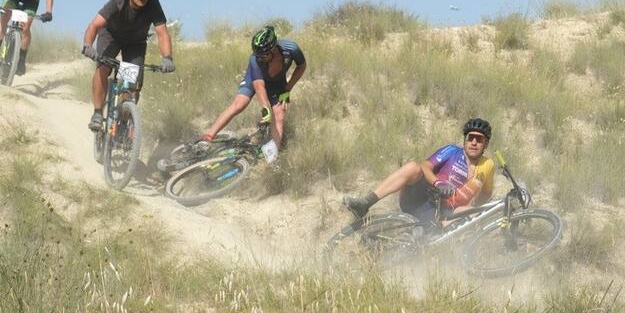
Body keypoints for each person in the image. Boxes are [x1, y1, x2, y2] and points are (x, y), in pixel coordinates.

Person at [343, 118, 496, 222]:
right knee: (413, 167)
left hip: (439, 211)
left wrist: (472, 209)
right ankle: (365, 203)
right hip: (419, 197)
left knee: (465, 211)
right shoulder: (452, 151)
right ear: (465, 140)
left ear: (486, 144)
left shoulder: (488, 165)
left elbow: (486, 194)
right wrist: (438, 183)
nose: (474, 142)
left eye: (479, 139)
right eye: (470, 138)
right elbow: (425, 167)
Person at [81, 0, 175, 131]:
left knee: (132, 83)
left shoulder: (153, 4)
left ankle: (124, 120)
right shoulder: (118, 1)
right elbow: (94, 25)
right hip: (111, 36)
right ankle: (97, 112)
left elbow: (162, 33)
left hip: (135, 43)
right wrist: (88, 45)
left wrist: (167, 57)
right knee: (103, 68)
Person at [200, 25, 306, 148]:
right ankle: (208, 136)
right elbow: (259, 86)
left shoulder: (291, 48)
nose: (260, 57)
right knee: (239, 104)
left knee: (279, 114)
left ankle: (273, 152)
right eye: (257, 55)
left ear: (273, 49)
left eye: (263, 55)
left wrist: (287, 89)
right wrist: (265, 109)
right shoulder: (255, 59)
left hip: (277, 83)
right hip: (255, 79)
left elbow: (301, 66)